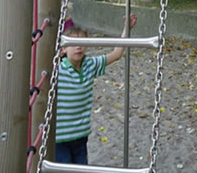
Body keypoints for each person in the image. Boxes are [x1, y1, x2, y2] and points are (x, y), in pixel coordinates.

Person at [55, 14, 137, 163]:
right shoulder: (57, 70)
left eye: (82, 42)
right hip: (59, 138)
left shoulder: (90, 65)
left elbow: (117, 54)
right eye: (73, 43)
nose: (78, 46)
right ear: (62, 50)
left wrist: (127, 29)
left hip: (80, 136)